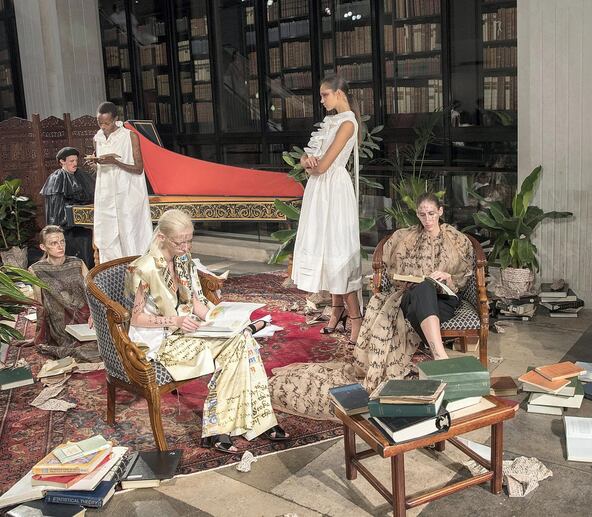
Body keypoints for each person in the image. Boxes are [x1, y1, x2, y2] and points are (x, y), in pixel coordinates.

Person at [269, 194, 474, 420]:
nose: (427, 219)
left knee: (428, 287)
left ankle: (438, 354)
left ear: (441, 212)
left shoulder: (456, 240)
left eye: (432, 214)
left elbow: (463, 279)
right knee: (423, 287)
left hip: (444, 300)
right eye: (422, 214)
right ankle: (439, 355)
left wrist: (447, 278)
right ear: (417, 214)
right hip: (412, 297)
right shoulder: (405, 238)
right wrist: (407, 280)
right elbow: (392, 272)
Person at [125, 209, 287, 453]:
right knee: (242, 344)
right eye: (180, 242)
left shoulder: (183, 261)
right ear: (162, 238)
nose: (186, 247)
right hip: (160, 342)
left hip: (187, 331)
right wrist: (176, 320)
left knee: (242, 339)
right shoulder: (143, 268)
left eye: (190, 240)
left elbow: (196, 302)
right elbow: (136, 319)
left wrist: (218, 317)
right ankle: (258, 422)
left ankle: (225, 428)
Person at [293, 74, 363, 346]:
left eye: (325, 95)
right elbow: (306, 158)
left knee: (339, 250)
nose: (321, 100)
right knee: (326, 249)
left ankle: (355, 317)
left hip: (333, 189)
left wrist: (312, 165)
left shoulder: (347, 123)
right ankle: (336, 311)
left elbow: (323, 166)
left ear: (339, 94)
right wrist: (307, 161)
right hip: (319, 190)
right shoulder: (330, 122)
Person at [86, 101, 152, 263]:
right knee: (108, 237)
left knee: (130, 234)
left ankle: (136, 271)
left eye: (107, 123)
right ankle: (112, 273)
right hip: (106, 195)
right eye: (100, 123)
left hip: (128, 194)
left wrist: (115, 162)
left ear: (116, 119)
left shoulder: (129, 136)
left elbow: (139, 168)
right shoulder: (98, 138)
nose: (103, 127)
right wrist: (95, 164)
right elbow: (101, 171)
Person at [29, 226, 100, 362]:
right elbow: (39, 304)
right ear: (43, 247)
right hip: (60, 321)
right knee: (77, 348)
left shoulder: (77, 263)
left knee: (107, 342)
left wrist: (94, 314)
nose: (60, 246)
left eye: (62, 241)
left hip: (85, 317)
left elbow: (92, 292)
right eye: (53, 243)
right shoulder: (36, 270)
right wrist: (39, 335)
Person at [40, 147, 96, 268]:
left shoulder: (81, 175)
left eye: (76, 160)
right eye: (71, 161)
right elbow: (56, 209)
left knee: (89, 238)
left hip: (81, 225)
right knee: (81, 241)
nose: (75, 164)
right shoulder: (56, 178)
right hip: (65, 227)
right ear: (62, 161)